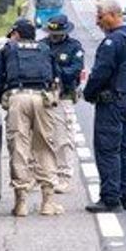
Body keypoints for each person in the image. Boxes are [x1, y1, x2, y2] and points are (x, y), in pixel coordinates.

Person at [0, 18, 63, 217]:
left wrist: (4, 99)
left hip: (17, 98)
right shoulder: (45, 49)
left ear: (17, 33)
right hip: (43, 98)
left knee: (19, 148)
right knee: (45, 147)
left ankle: (21, 203)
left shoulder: (6, 50)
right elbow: (57, 76)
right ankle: (47, 202)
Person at [84, 0, 126, 213]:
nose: (98, 22)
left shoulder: (113, 42)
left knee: (108, 150)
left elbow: (101, 72)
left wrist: (88, 93)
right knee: (125, 150)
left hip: (112, 103)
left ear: (112, 15)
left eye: (100, 17)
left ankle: (110, 198)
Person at [40, 14, 85, 196]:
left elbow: (75, 69)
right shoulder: (42, 45)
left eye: (58, 33)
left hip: (63, 95)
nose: (54, 36)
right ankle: (42, 175)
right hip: (43, 95)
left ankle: (64, 176)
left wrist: (56, 71)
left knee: (62, 138)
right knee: (41, 137)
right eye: (52, 33)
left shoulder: (74, 47)